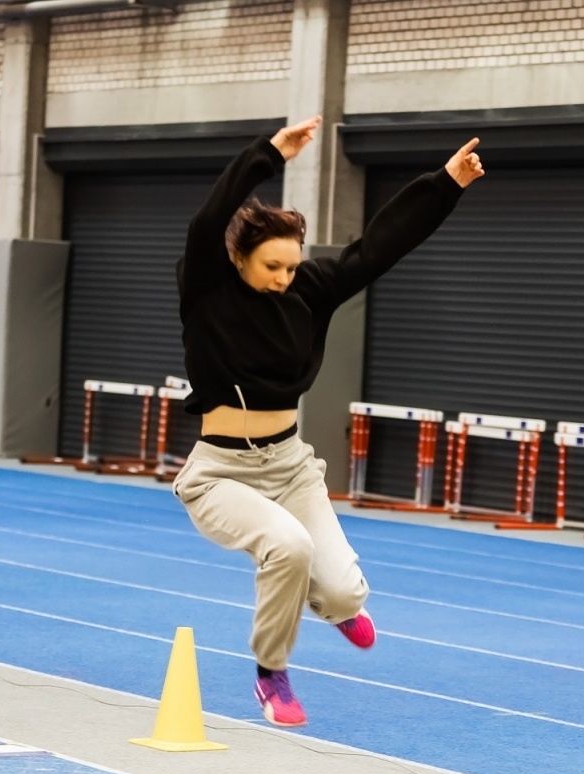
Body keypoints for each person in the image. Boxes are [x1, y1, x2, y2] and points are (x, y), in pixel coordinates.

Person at [171, 114, 485, 728]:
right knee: (286, 547)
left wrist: (445, 183)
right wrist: (268, 153)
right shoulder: (206, 288)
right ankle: (272, 673)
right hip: (221, 474)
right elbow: (206, 222)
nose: (284, 279)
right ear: (238, 259)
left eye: (291, 267)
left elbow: (378, 248)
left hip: (289, 465)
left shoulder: (308, 290)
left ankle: (332, 604)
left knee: (343, 593)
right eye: (271, 268)